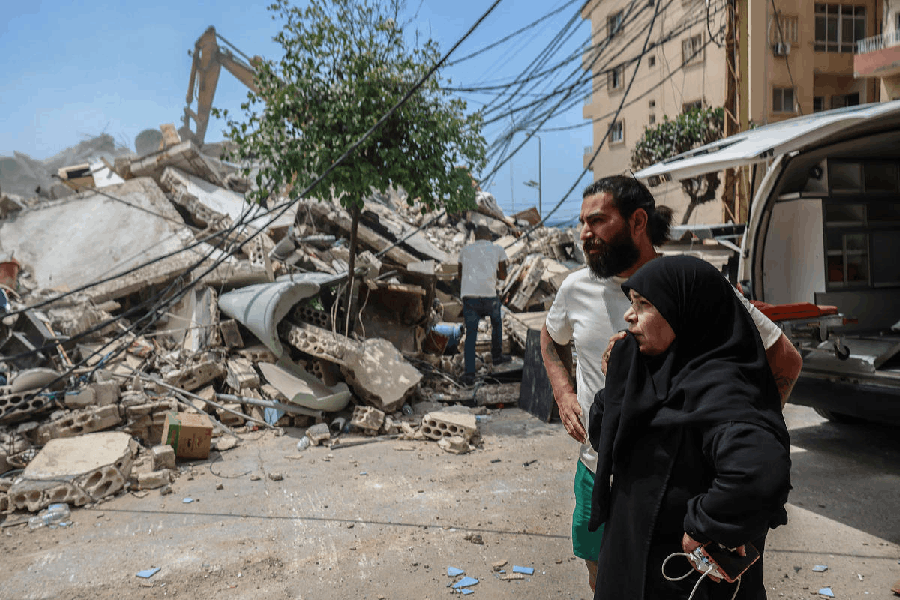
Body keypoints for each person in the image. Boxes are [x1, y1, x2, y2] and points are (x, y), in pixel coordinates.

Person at [540, 175, 802, 592]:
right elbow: (550, 340)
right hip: (603, 472)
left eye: (597, 221)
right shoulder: (578, 291)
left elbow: (781, 365)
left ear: (637, 221)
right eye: (581, 223)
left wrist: (744, 422)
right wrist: (567, 391)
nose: (584, 234)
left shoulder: (694, 285)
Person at [587, 255, 792, 599]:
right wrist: (618, 384)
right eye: (631, 302)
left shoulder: (726, 390)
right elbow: (604, 436)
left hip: (684, 581)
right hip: (629, 563)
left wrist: (704, 526)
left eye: (645, 304)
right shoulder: (652, 371)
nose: (629, 315)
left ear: (687, 311)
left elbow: (759, 471)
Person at [457, 225, 510, 384]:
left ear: (475, 237)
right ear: (488, 236)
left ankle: (470, 374)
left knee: (471, 335)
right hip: (489, 296)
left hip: (470, 297)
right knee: (496, 323)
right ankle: (497, 356)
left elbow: (460, 275)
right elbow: (502, 276)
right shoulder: (497, 249)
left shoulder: (464, 250)